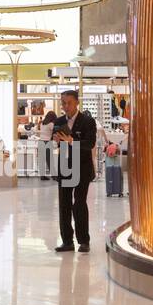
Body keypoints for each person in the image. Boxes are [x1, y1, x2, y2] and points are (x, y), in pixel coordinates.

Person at [52, 89, 98, 253]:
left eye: (69, 103)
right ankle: (67, 241)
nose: (65, 106)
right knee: (64, 204)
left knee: (79, 203)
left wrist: (72, 140)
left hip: (82, 168)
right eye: (63, 103)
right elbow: (56, 144)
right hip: (64, 166)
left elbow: (90, 144)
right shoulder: (58, 122)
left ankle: (84, 241)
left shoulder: (88, 121)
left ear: (77, 102)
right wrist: (57, 140)